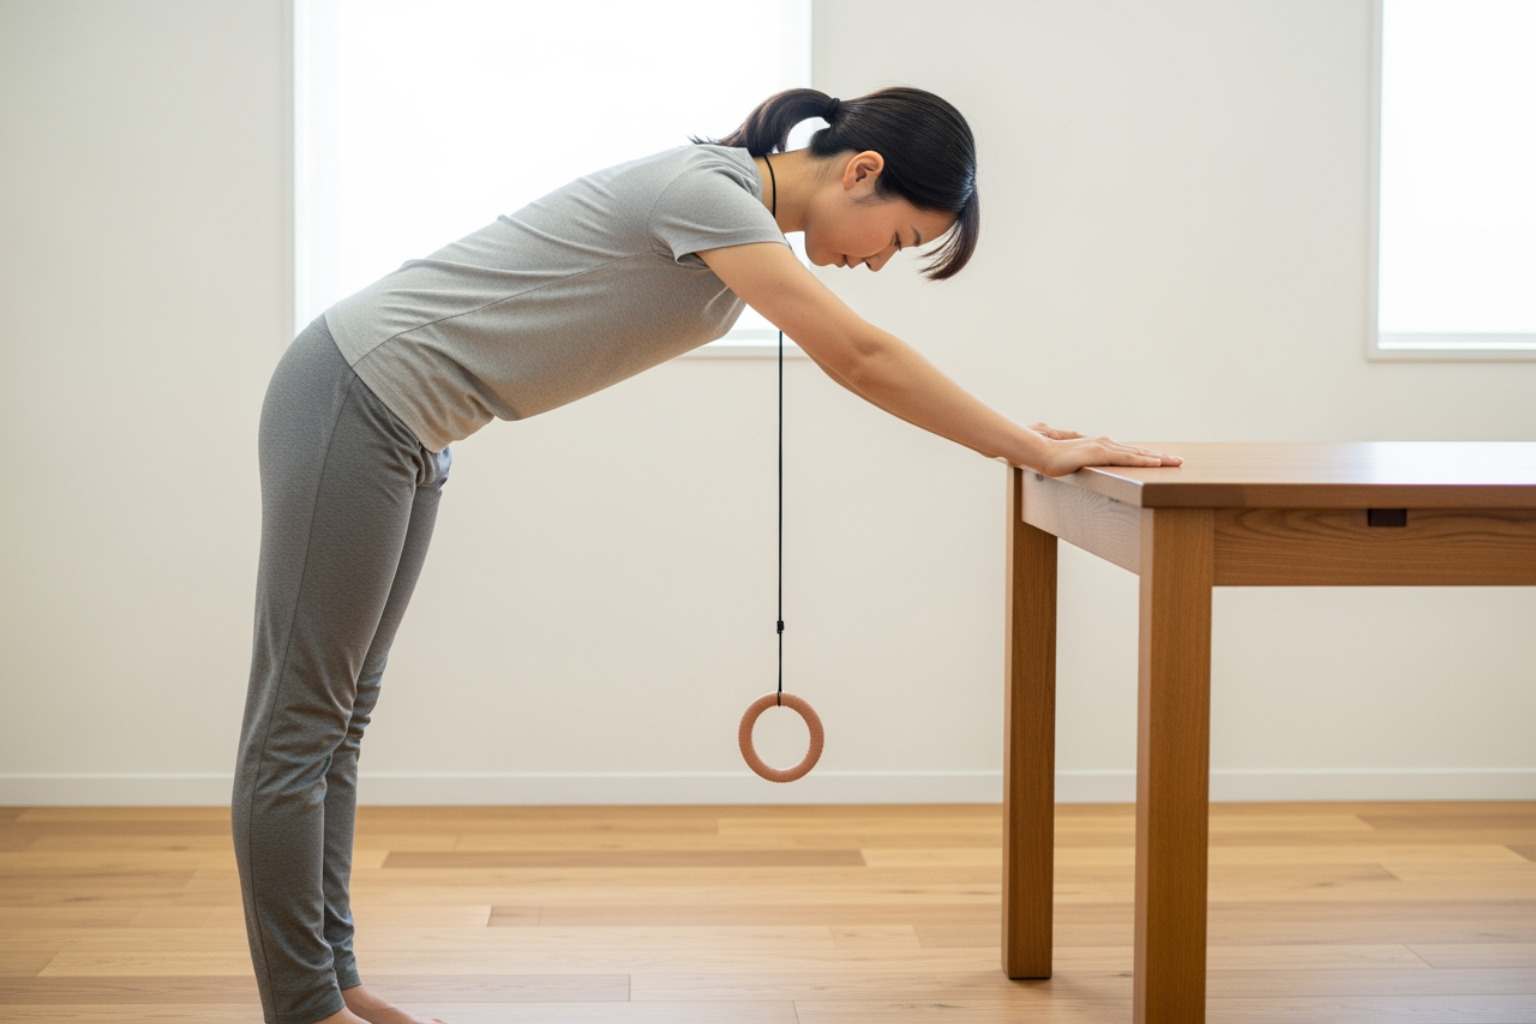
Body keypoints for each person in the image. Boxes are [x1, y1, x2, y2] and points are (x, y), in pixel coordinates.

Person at [231, 85, 1181, 1024]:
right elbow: (860, 357)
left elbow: (852, 345)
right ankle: (305, 1007)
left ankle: (335, 982)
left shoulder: (732, 218)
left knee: (343, 714)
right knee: (300, 721)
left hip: (412, 426)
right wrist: (1033, 445)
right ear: (862, 172)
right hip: (354, 394)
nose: (876, 265)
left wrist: (1024, 437)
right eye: (893, 240)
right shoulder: (707, 191)